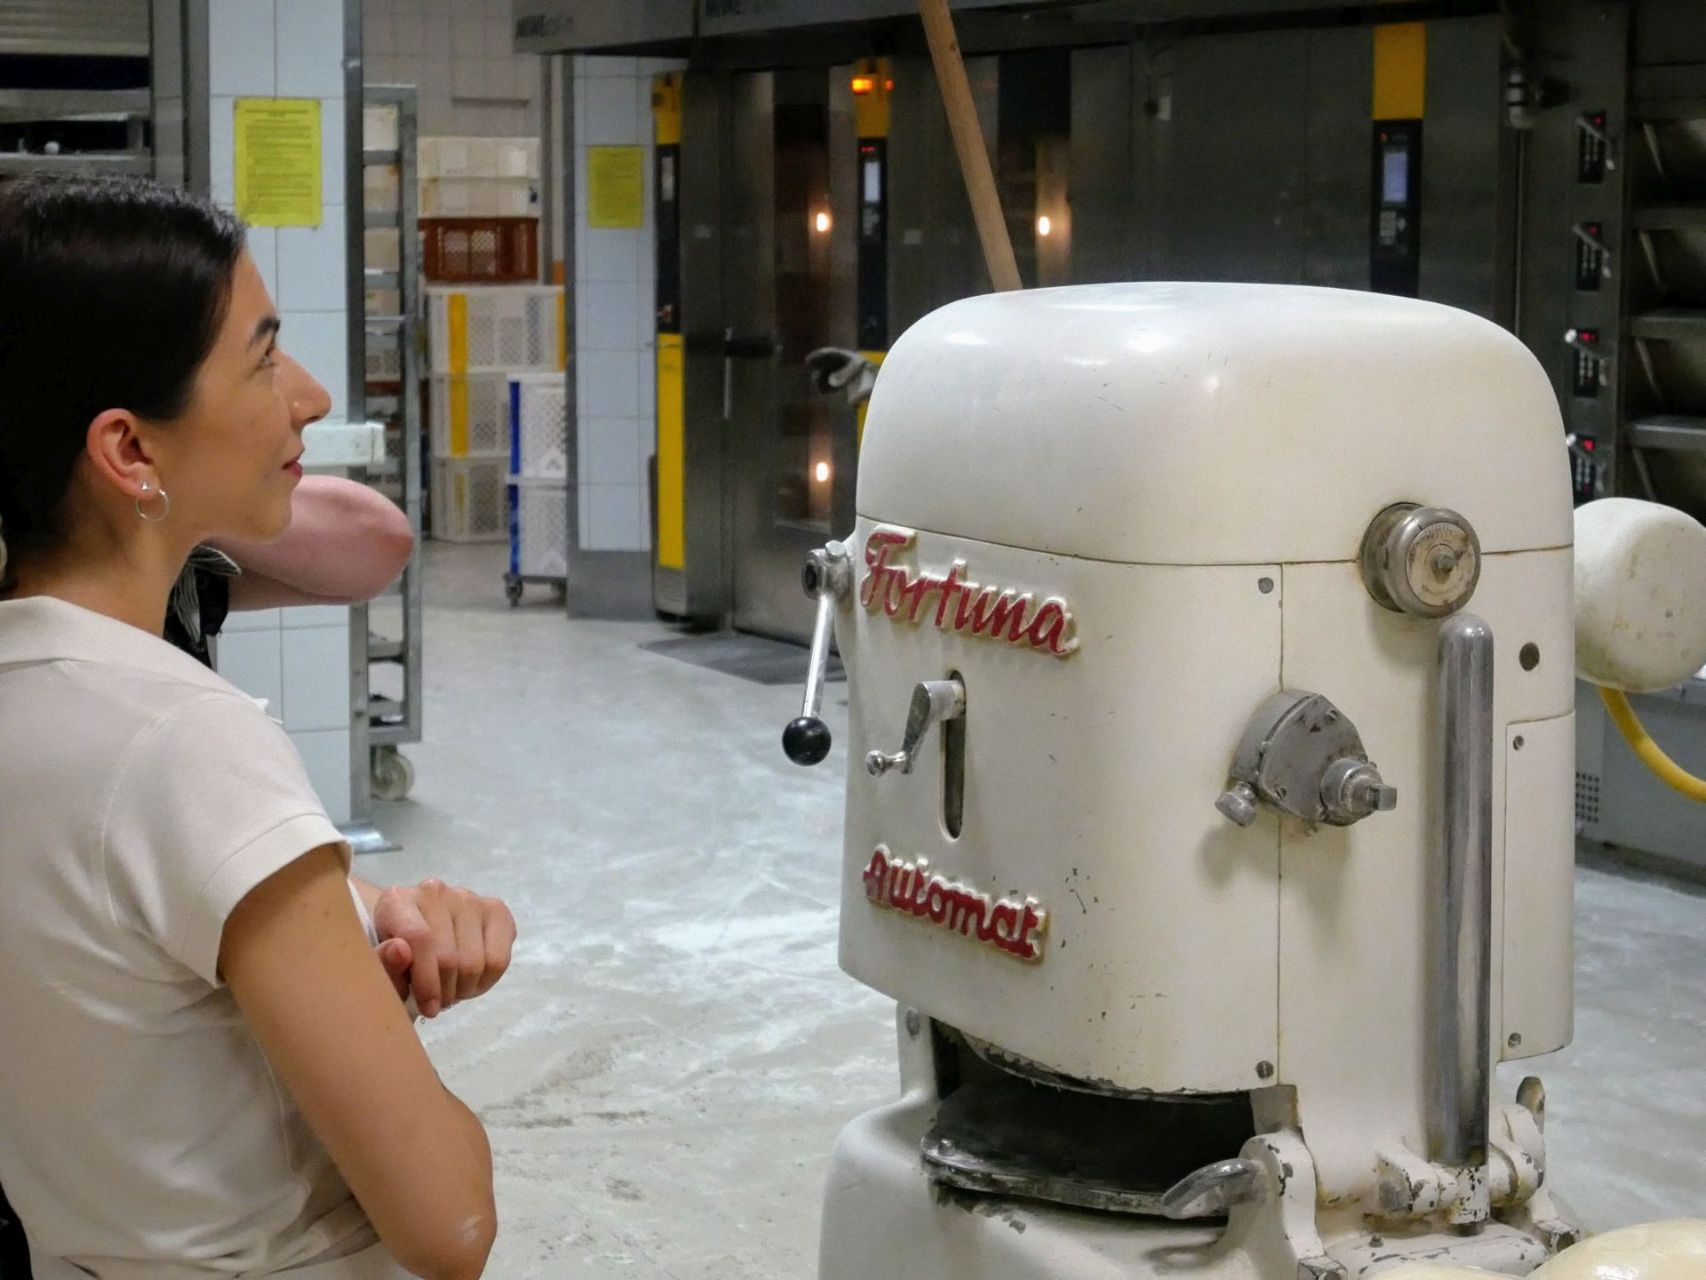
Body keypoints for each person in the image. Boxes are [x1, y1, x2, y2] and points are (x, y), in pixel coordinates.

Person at [0, 175, 509, 1279]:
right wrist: (390, 1040)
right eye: (264, 357)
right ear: (131, 451)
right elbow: (449, 1220)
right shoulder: (185, 737)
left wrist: (358, 910)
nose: (311, 397)